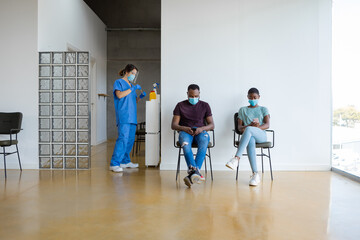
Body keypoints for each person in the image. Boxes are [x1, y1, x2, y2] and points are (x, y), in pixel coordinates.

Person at [171, 84, 215, 187]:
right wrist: (184, 128)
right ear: (187, 94)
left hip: (201, 132)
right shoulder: (180, 105)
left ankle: (192, 173)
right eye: (191, 96)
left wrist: (202, 129)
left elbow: (212, 125)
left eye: (196, 96)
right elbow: (174, 125)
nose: (193, 98)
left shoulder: (205, 105)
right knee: (186, 145)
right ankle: (196, 173)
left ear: (199, 94)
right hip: (186, 132)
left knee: (204, 142)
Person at [225, 87, 270, 186]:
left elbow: (267, 125)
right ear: (247, 97)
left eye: (255, 97)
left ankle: (236, 158)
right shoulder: (242, 110)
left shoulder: (263, 109)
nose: (253, 99)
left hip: (261, 135)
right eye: (251, 97)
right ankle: (255, 174)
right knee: (250, 139)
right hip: (249, 136)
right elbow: (240, 128)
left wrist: (256, 127)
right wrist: (249, 125)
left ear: (259, 97)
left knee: (250, 131)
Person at [109, 64, 146, 172]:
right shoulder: (119, 82)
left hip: (132, 117)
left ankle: (125, 161)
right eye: (132, 73)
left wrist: (140, 97)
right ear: (126, 72)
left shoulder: (130, 86)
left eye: (135, 74)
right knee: (123, 139)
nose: (134, 76)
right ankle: (114, 163)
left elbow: (133, 100)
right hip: (124, 116)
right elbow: (120, 95)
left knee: (129, 140)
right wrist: (132, 88)